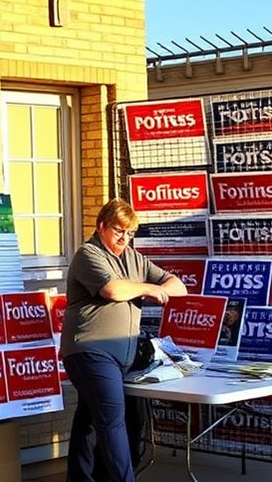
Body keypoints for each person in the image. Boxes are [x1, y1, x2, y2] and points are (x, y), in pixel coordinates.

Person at [59, 199, 187, 482]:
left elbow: (178, 286)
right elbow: (113, 290)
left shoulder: (134, 258)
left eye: (130, 233)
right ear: (101, 226)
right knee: (113, 421)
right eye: (118, 231)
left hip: (121, 356)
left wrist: (149, 287)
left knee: (89, 420)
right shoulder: (88, 253)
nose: (124, 238)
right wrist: (148, 288)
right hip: (90, 350)